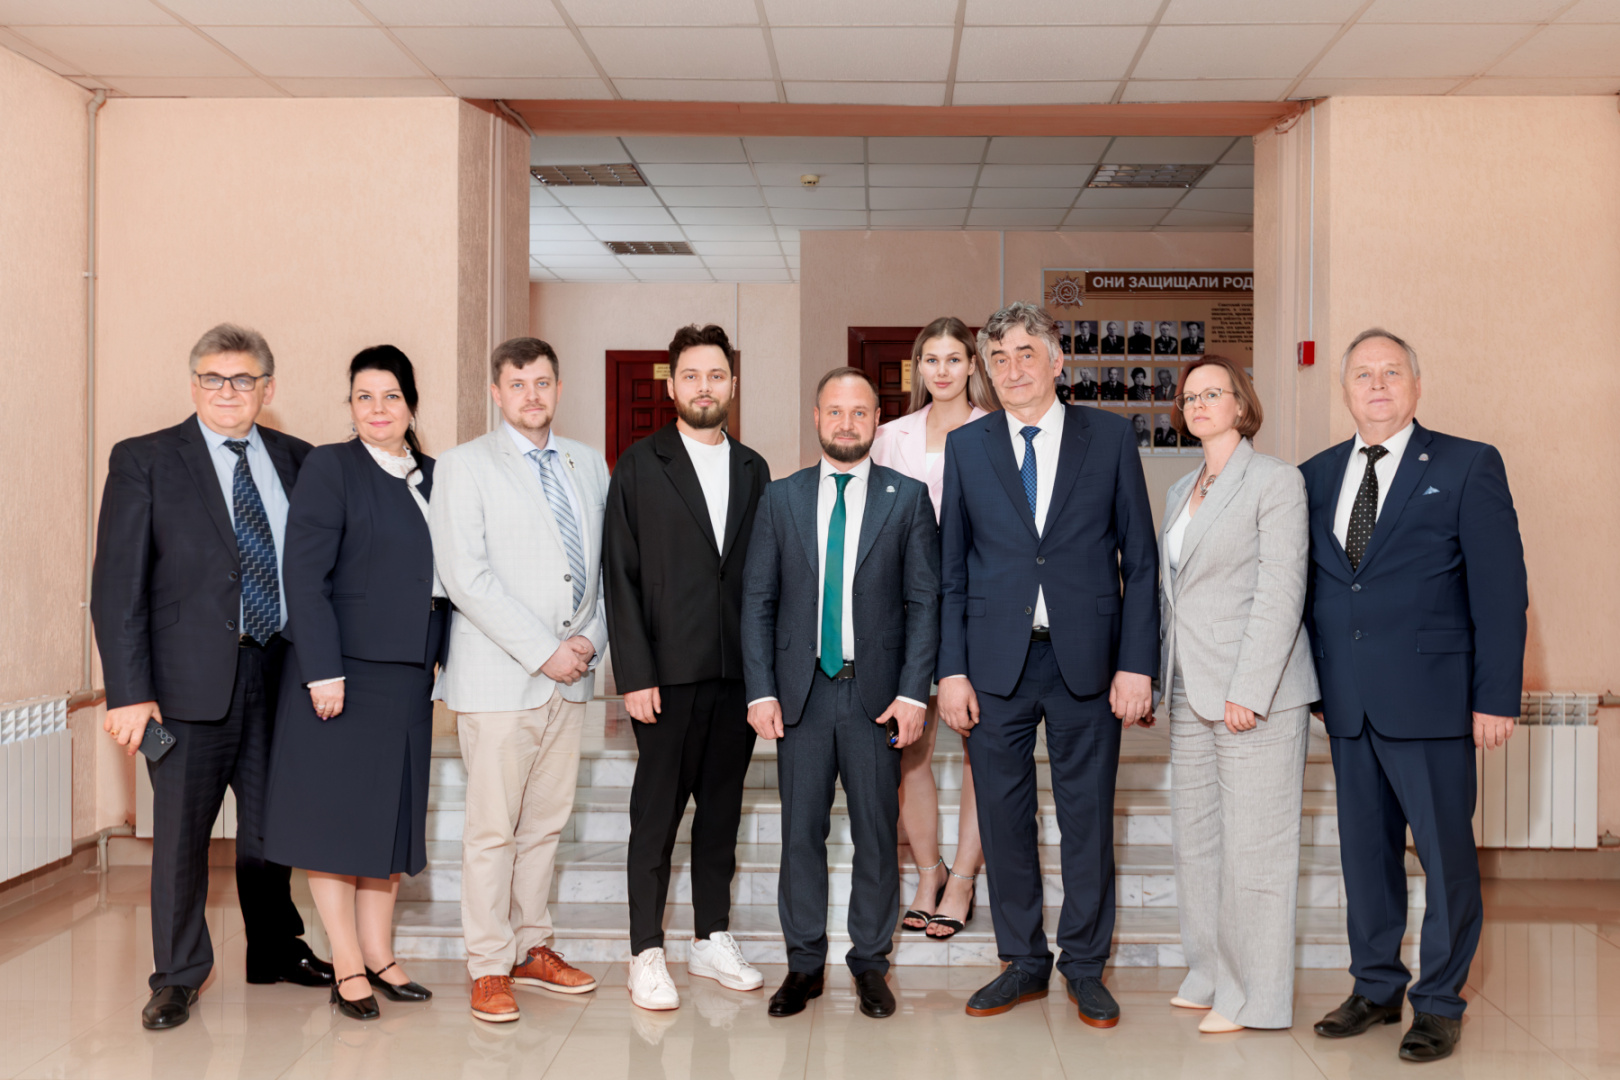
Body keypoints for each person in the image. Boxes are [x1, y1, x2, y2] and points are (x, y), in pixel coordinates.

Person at [91, 324, 332, 1032]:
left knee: (272, 831)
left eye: (243, 379)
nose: (228, 391)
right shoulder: (144, 459)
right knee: (181, 838)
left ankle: (275, 949)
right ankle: (178, 974)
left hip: (280, 674)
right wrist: (129, 692)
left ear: (268, 387)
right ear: (193, 383)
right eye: (213, 378)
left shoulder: (300, 460)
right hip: (182, 687)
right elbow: (117, 587)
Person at [1304, 329, 1527, 1064]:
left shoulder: (1467, 464)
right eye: (1363, 374)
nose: (1377, 385)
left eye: (1391, 372)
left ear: (1416, 385)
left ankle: (1439, 1003)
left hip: (1434, 700)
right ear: (1344, 389)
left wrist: (1496, 697)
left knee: (1445, 858)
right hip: (1348, 703)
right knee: (1365, 859)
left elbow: (1501, 593)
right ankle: (1375, 987)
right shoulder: (1316, 475)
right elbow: (1310, 590)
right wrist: (1312, 684)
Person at [938, 302, 1157, 1027]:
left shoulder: (1109, 437)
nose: (1012, 370)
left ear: (1057, 361)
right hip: (993, 665)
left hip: (1087, 662)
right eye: (998, 359)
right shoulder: (968, 447)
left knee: (1086, 819)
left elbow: (1141, 561)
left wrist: (1137, 664)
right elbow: (952, 570)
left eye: (1025, 354)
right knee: (1004, 821)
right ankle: (1023, 961)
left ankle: (1085, 966)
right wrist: (951, 671)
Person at [741, 367, 940, 1021]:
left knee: (877, 836)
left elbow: (924, 602)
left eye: (860, 412)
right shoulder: (782, 498)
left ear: (876, 420)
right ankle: (803, 965)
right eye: (835, 411)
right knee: (800, 834)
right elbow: (758, 600)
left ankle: (870, 963)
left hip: (876, 699)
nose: (847, 423)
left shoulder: (907, 499)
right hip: (800, 697)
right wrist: (760, 691)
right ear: (817, 418)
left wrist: (914, 694)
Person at [429, 337, 609, 1023]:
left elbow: (606, 568)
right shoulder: (464, 465)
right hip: (501, 678)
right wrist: (543, 651)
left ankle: (533, 946)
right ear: (496, 393)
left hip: (572, 676)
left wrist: (589, 640)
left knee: (544, 826)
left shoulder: (588, 463)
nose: (532, 395)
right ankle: (487, 964)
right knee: (492, 831)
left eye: (542, 383)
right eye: (517, 384)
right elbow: (465, 576)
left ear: (558, 388)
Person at [261, 346, 444, 1021]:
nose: (377, 409)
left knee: (386, 824)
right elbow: (303, 577)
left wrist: (443, 657)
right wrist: (323, 670)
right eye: (363, 396)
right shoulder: (331, 467)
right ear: (350, 406)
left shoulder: (435, 475)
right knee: (336, 828)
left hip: (408, 677)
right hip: (344, 675)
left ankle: (380, 954)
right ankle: (346, 963)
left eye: (390, 396)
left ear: (411, 405)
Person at [604, 324, 771, 1011]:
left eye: (717, 375)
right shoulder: (640, 465)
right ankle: (645, 949)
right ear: (672, 385)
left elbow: (763, 579)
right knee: (656, 815)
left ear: (733, 384)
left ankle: (710, 936)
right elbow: (620, 575)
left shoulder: (755, 469)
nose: (705, 387)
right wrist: (634, 673)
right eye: (692, 375)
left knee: (722, 813)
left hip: (737, 675)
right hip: (665, 675)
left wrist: (765, 678)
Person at [1160, 356, 1319, 1033]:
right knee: (1197, 844)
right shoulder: (1180, 488)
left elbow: (1281, 591)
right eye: (1190, 396)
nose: (1198, 404)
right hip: (1189, 687)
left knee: (1255, 851)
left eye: (1212, 393)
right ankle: (1208, 973)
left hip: (1256, 693)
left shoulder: (1276, 481)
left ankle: (1254, 997)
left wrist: (1248, 689)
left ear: (1241, 404)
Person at [870, 317, 996, 941]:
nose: (942, 370)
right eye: (931, 359)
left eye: (954, 359)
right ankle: (928, 872)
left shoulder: (997, 432)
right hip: (905, 610)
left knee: (979, 748)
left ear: (972, 365)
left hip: (977, 608)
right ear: (916, 367)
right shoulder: (887, 436)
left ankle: (964, 879)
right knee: (909, 748)